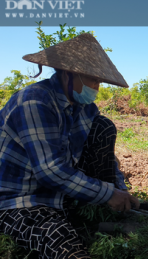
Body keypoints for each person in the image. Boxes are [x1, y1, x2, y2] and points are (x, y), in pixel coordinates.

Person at [0, 33, 140, 258]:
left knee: (103, 126)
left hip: (60, 194)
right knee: (66, 248)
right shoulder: (34, 102)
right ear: (68, 74)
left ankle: (105, 206)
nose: (96, 86)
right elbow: (50, 171)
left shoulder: (84, 108)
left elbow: (105, 156)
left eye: (99, 81)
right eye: (92, 79)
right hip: (20, 199)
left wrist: (118, 188)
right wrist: (107, 194)